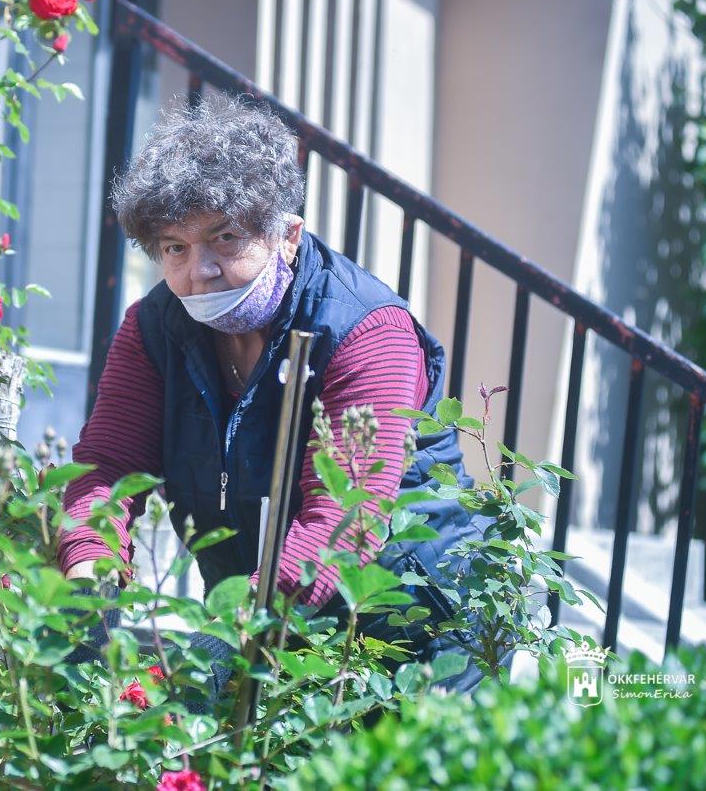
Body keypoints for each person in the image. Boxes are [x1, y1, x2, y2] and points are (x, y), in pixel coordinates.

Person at [57, 94, 504, 699]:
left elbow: (342, 520)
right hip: (267, 616)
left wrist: (232, 629)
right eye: (175, 247)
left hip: (410, 623)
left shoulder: (365, 332)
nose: (201, 271)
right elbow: (108, 467)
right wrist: (91, 571)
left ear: (288, 235)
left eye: (225, 238)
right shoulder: (153, 329)